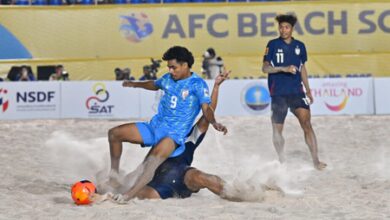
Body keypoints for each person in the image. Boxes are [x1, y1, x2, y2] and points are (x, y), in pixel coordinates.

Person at [104, 46, 228, 202]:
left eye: (173, 67)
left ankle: (128, 195)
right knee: (114, 134)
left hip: (172, 136)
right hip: (154, 127)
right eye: (169, 67)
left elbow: (206, 110)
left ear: (185, 65)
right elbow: (154, 84)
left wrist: (215, 121)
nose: (170, 70)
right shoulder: (168, 78)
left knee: (151, 163)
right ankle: (114, 175)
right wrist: (135, 84)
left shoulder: (197, 84)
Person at [261, 14, 326, 170]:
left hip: (297, 92)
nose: (283, 30)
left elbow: (302, 68)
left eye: (287, 27)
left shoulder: (300, 46)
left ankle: (316, 161)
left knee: (306, 123)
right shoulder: (272, 44)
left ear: (292, 29)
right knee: (277, 131)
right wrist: (283, 68)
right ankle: (282, 160)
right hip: (278, 94)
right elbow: (265, 68)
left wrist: (308, 90)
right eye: (281, 27)